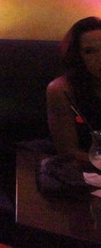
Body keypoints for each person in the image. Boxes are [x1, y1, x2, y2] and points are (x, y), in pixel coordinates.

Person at [47, 16, 101, 162]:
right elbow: (68, 152)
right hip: (84, 168)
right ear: (77, 56)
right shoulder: (62, 90)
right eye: (90, 51)